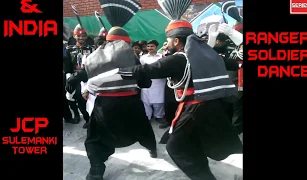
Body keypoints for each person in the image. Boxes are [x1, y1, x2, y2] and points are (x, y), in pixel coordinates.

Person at [111, 1, 243, 179]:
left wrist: (115, 73)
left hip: (195, 109)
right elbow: (234, 63)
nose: (166, 43)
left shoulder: (178, 59)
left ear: (175, 40)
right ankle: (203, 168)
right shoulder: (207, 55)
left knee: (176, 147)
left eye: (167, 40)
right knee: (193, 143)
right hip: (213, 107)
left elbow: (147, 70)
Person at [66, 1, 157, 179]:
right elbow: (146, 83)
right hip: (131, 103)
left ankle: (96, 171)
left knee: (94, 138)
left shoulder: (94, 57)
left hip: (104, 106)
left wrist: (73, 79)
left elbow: (82, 75)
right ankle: (152, 149)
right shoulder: (132, 57)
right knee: (143, 128)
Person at [140, 40, 167, 123]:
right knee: (145, 101)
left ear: (157, 47)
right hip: (147, 82)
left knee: (159, 101)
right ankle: (147, 116)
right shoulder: (143, 58)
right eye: (148, 46)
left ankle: (159, 116)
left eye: (152, 46)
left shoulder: (162, 57)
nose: (150, 48)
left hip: (159, 82)